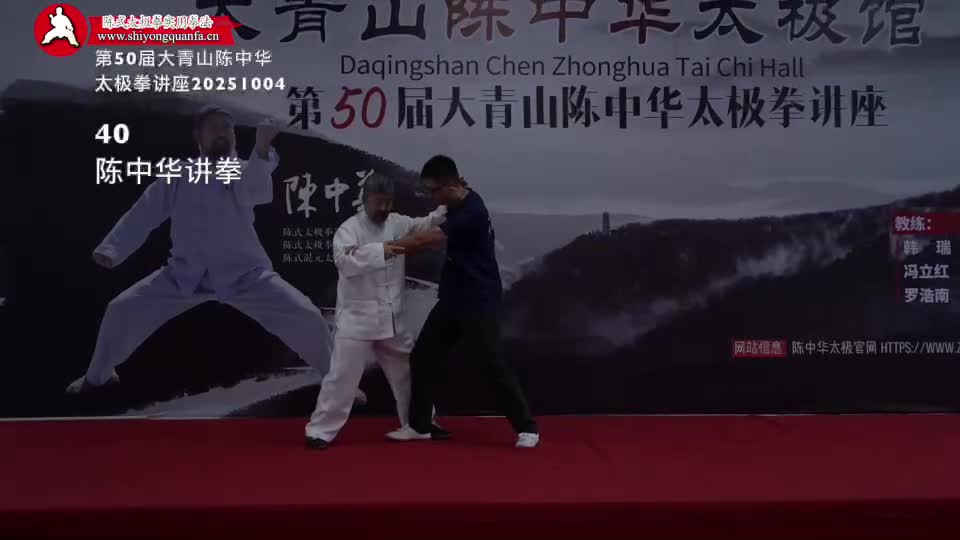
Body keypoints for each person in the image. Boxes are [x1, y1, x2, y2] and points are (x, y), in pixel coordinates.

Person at [66, 106, 363, 404]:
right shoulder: (179, 174)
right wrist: (112, 248)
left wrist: (261, 147)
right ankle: (98, 376)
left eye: (227, 127)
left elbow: (255, 191)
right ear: (198, 135)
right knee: (121, 310)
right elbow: (145, 212)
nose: (222, 132)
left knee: (306, 315)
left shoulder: (240, 170)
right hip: (182, 274)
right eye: (214, 126)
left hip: (244, 273)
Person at [385, 155, 540, 448]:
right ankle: (419, 426)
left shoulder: (473, 211)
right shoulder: (457, 200)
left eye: (435, 190)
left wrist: (380, 249)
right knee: (423, 357)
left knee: (491, 363)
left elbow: (423, 241)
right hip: (452, 297)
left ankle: (527, 428)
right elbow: (433, 220)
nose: (433, 197)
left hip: (478, 298)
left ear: (450, 185)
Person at [304, 174, 448, 450]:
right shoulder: (349, 229)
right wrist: (386, 250)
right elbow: (345, 262)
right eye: (378, 202)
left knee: (408, 375)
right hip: (357, 320)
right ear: (364, 200)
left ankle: (421, 423)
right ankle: (320, 430)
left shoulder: (397, 222)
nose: (384, 208)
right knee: (342, 378)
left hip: (393, 319)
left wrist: (447, 206)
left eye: (388, 202)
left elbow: (426, 223)